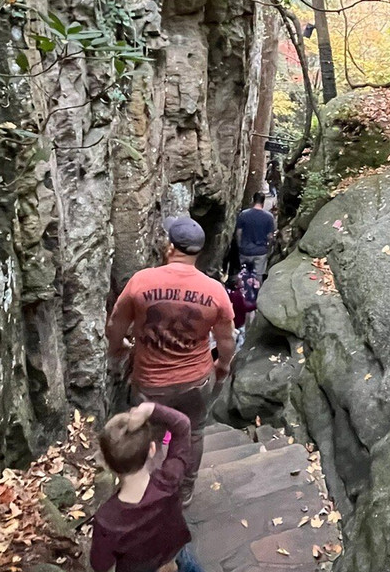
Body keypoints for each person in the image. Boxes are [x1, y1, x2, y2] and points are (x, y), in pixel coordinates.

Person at [107, 216, 235, 506]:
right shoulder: (215, 291)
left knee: (152, 437)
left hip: (151, 383)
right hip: (196, 380)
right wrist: (223, 366)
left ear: (170, 247)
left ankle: (152, 491)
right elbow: (226, 340)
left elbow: (116, 323)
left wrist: (118, 347)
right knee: (195, 431)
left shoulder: (142, 282)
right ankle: (186, 489)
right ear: (197, 252)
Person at [90, 402, 205, 572]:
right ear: (152, 449)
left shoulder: (106, 520)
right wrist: (150, 409)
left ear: (107, 464)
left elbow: (100, 565)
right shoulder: (169, 480)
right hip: (175, 558)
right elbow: (182, 426)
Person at [235, 192, 275, 279]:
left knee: (243, 275)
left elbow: (238, 233)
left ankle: (243, 291)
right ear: (263, 202)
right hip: (260, 252)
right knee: (258, 277)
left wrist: (240, 246)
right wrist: (268, 250)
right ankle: (256, 291)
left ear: (253, 201)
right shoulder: (269, 217)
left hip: (245, 251)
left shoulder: (243, 214)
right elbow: (270, 237)